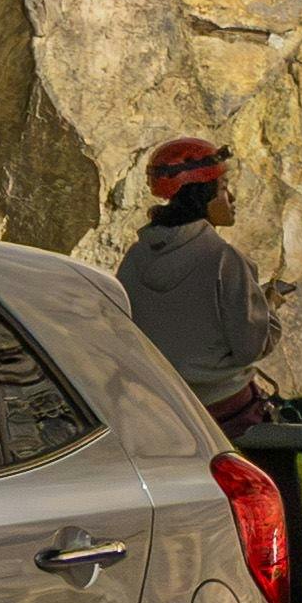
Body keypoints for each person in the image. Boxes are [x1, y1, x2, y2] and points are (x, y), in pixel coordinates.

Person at [118, 137, 284, 441]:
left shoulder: (134, 258)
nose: (231, 197)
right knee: (276, 477)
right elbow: (250, 347)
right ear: (201, 196)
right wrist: (268, 308)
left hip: (161, 402)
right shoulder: (224, 259)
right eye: (222, 188)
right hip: (222, 404)